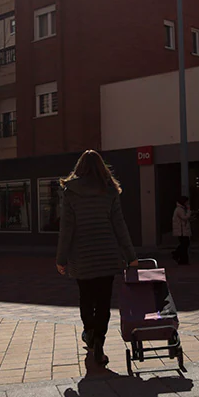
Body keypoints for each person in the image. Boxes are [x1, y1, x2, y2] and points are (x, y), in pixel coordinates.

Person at [56, 150, 138, 365]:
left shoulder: (70, 191)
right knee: (103, 301)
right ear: (102, 167)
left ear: (79, 167)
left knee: (86, 297)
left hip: (82, 256)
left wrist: (61, 258)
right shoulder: (110, 191)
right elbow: (119, 226)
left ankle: (89, 333)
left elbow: (67, 228)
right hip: (107, 254)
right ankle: (99, 340)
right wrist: (131, 256)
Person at [172, 196, 192, 265]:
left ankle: (182, 259)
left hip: (182, 230)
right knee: (185, 244)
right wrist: (189, 211)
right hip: (181, 231)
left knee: (185, 244)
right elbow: (184, 217)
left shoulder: (181, 209)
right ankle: (177, 254)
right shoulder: (179, 209)